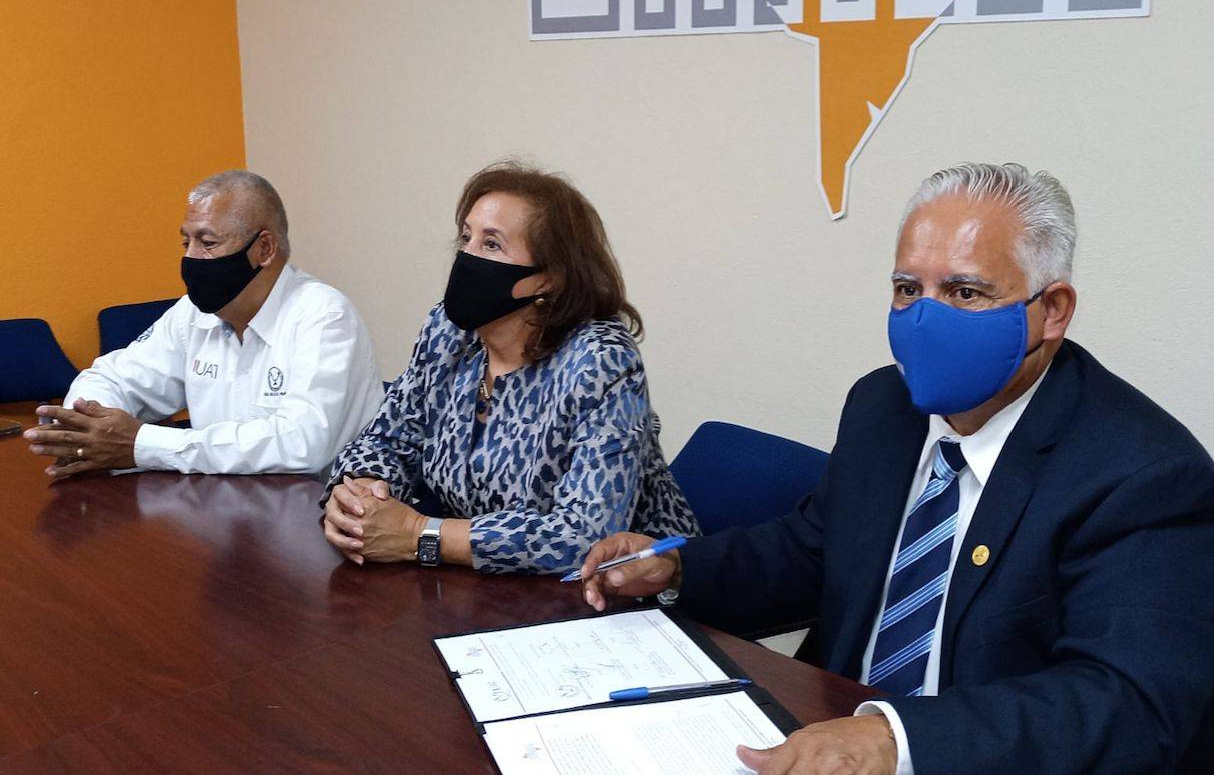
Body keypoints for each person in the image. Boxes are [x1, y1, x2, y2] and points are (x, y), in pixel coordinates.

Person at [579, 163, 1214, 775]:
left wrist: (896, 738)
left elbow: (1127, 703)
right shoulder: (883, 406)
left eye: (964, 292)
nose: (924, 319)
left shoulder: (1143, 473)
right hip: (822, 730)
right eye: (909, 289)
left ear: (1051, 310)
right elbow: (810, 554)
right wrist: (677, 567)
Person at [322, 160, 699, 574]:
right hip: (479, 584)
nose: (466, 257)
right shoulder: (448, 332)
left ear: (548, 278)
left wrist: (417, 533)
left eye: (491, 244)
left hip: (617, 590)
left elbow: (585, 536)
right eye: (466, 237)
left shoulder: (600, 360)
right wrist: (360, 497)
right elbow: (388, 439)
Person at [25, 170, 383, 477]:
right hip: (222, 509)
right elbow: (114, 377)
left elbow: (302, 445)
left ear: (264, 250)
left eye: (207, 242)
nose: (190, 258)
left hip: (320, 517)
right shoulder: (194, 314)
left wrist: (143, 444)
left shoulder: (324, 316)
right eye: (186, 241)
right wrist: (87, 427)